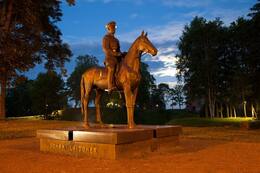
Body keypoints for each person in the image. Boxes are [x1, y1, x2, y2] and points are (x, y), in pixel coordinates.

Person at [102, 21, 124, 93]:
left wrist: (122, 54)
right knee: (112, 68)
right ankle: (110, 86)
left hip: (117, 59)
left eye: (114, 28)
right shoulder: (106, 38)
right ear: (108, 29)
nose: (114, 29)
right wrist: (116, 54)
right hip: (110, 59)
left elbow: (119, 50)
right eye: (112, 28)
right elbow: (106, 49)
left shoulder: (116, 40)